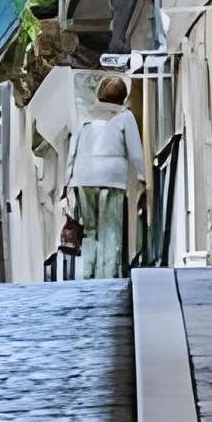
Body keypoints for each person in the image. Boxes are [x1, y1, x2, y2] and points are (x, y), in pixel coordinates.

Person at [63, 75, 146, 280]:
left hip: (84, 176)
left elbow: (72, 151)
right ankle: (107, 274)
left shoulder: (86, 117)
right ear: (122, 97)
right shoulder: (125, 117)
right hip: (112, 177)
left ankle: (88, 272)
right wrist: (143, 175)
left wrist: (67, 181)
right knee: (110, 228)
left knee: (90, 228)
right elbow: (135, 151)